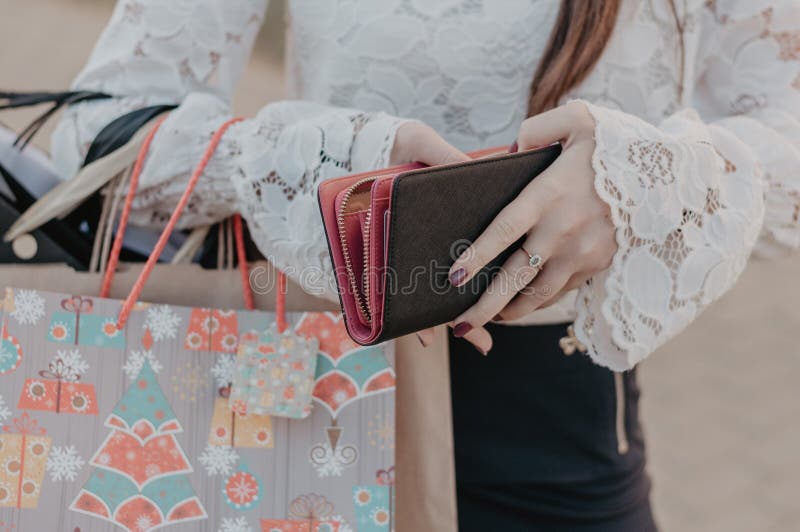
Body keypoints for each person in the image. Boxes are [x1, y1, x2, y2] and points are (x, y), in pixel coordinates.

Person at [52, 1, 800, 530]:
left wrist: (641, 181)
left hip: (550, 427)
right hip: (302, 405)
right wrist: (326, 159)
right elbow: (95, 132)